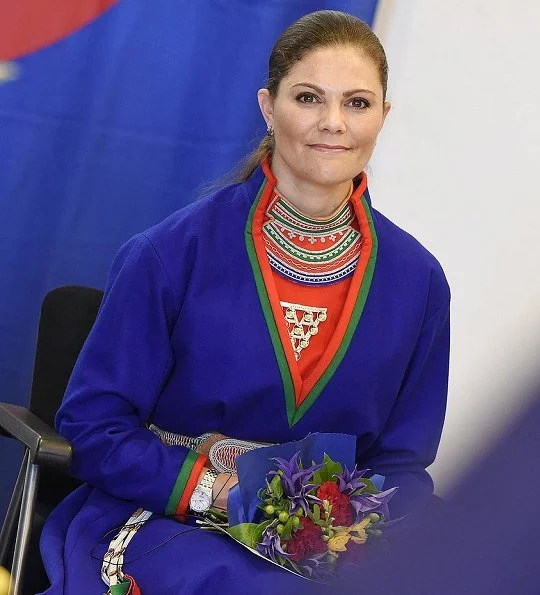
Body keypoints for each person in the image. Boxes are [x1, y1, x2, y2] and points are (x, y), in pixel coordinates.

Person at [40, 10, 450, 594]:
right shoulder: (169, 254)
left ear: (384, 116)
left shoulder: (419, 282)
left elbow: (404, 465)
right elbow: (93, 426)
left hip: (326, 548)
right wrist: (222, 493)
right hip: (172, 519)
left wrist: (348, 529)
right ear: (268, 106)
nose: (332, 122)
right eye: (308, 97)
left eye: (357, 103)